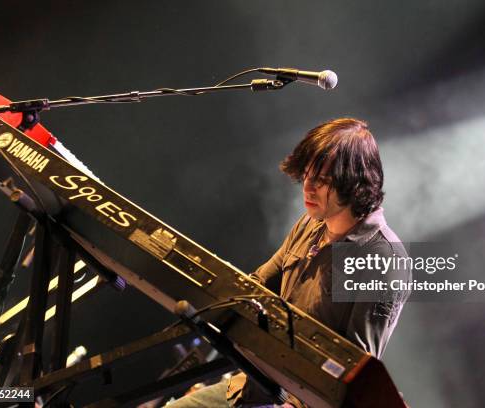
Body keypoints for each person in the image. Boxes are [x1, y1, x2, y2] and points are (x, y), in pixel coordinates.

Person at [168, 118, 410, 408]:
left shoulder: (383, 258)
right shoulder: (311, 223)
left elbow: (351, 376)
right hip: (254, 384)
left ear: (353, 184)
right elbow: (254, 286)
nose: (306, 187)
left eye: (321, 180)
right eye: (306, 175)